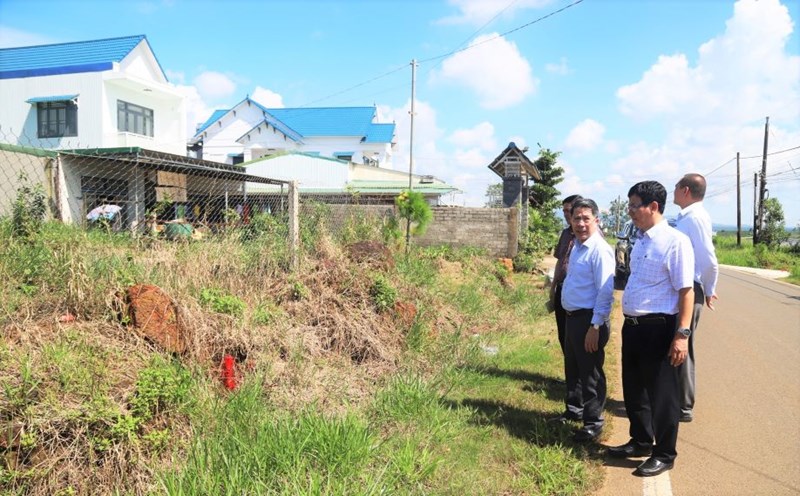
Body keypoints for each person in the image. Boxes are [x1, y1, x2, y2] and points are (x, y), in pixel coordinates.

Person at [608, 181, 694, 477]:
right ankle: (641, 440)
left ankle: (665, 453)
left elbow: (686, 291)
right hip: (633, 327)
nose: (630, 211)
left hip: (659, 329)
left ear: (653, 206)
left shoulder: (675, 241)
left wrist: (682, 335)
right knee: (635, 389)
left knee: (662, 395)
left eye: (634, 206)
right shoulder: (641, 239)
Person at [559, 198, 615, 442]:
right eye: (576, 218)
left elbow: (605, 292)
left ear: (596, 220)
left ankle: (593, 422)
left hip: (589, 321)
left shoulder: (599, 250)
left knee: (590, 373)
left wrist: (595, 326)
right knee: (573, 368)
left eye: (586, 218)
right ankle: (574, 410)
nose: (580, 223)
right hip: (573, 318)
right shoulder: (577, 246)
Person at [673, 173, 719, 423]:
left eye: (676, 186)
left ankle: (683, 405)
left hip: (690, 289)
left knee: (683, 343)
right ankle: (673, 398)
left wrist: (709, 289)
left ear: (686, 191)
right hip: (681, 288)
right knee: (674, 342)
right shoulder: (686, 217)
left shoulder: (696, 218)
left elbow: (708, 260)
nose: (673, 190)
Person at [548, 194, 583, 422]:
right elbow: (560, 262)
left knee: (578, 345)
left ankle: (579, 396)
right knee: (564, 338)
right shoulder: (565, 234)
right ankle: (572, 380)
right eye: (564, 211)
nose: (566, 215)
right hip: (563, 290)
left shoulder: (588, 236)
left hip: (579, 298)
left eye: (569, 210)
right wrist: (553, 289)